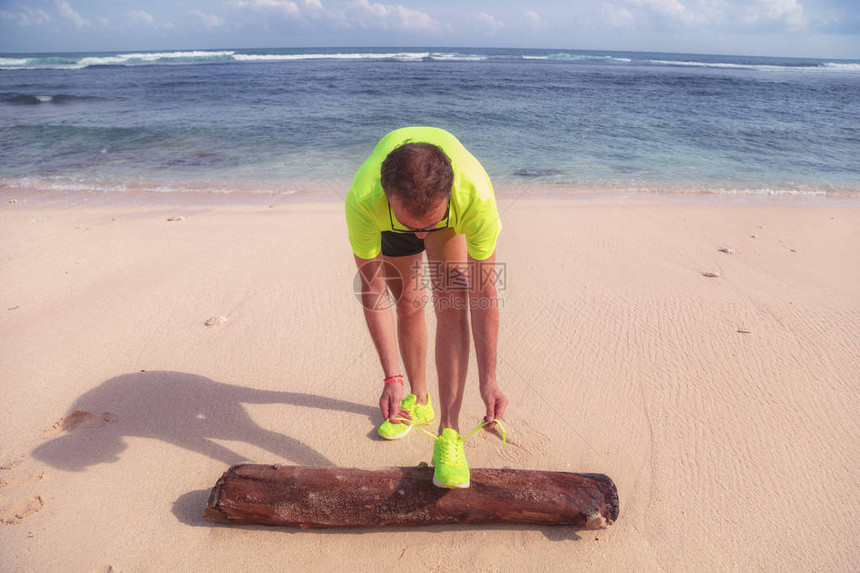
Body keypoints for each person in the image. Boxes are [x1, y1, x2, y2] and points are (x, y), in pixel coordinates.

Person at [346, 126, 507, 489]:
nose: (420, 236)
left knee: (451, 304)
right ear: (388, 199)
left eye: (428, 226)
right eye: (411, 226)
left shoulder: (474, 197)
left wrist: (489, 378)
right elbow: (373, 290)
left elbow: (485, 295)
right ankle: (418, 399)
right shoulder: (363, 200)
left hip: (447, 216)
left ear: (449, 195)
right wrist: (391, 377)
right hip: (400, 217)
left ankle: (449, 431)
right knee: (408, 301)